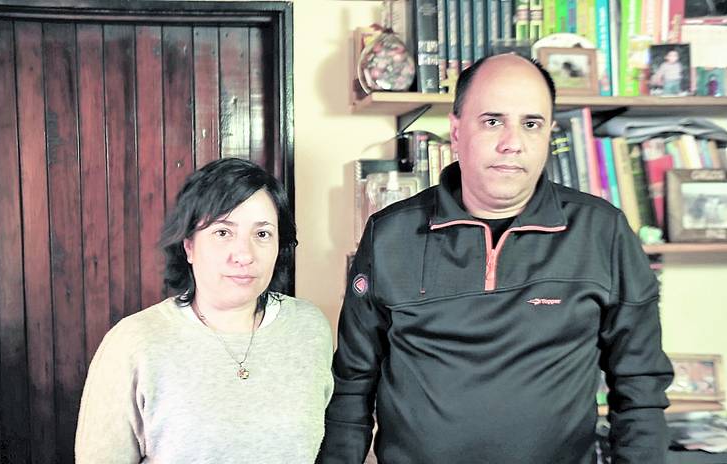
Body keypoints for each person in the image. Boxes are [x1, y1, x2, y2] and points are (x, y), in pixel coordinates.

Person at [317, 54, 673, 464]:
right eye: (492, 121)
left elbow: (640, 387)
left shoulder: (603, 232)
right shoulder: (389, 234)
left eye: (531, 124)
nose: (512, 143)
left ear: (548, 133)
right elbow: (352, 386)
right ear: (456, 132)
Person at [75, 158, 333, 463]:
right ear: (189, 246)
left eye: (262, 234)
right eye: (223, 232)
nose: (244, 255)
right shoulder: (134, 342)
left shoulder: (308, 328)